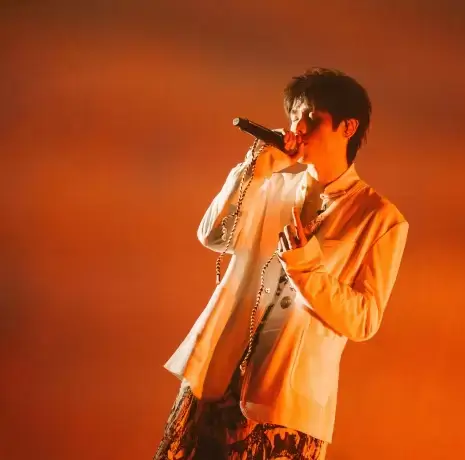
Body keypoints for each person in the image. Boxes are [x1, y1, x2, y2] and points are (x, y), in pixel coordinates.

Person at [154, 67, 409, 459]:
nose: (297, 127)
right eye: (293, 116)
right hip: (217, 381)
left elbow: (363, 319)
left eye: (312, 117)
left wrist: (305, 267)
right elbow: (213, 235)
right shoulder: (270, 184)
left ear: (348, 127)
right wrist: (254, 170)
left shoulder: (380, 218)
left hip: (284, 404)